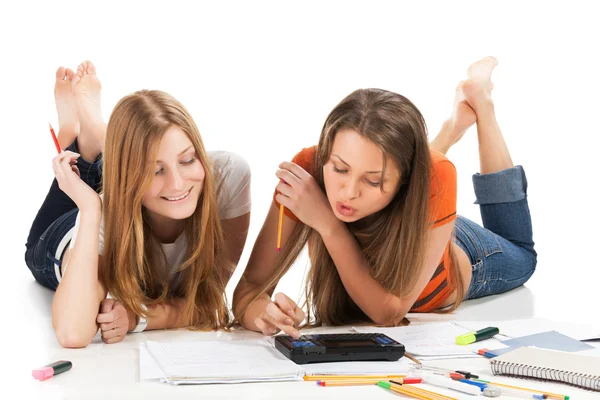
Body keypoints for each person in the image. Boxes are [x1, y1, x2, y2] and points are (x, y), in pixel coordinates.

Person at [233, 57, 536, 337]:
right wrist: (264, 314)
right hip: (424, 209)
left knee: (524, 257)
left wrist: (328, 223)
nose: (348, 193)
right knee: (421, 173)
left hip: (465, 255)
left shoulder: (435, 178)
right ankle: (451, 130)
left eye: (373, 180)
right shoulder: (307, 175)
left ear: (404, 183)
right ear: (325, 155)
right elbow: (249, 291)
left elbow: (388, 313)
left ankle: (482, 107)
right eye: (339, 169)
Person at [25, 61, 251, 347]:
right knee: (47, 223)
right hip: (65, 237)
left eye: (187, 160)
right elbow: (72, 333)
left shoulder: (226, 177)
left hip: (125, 188)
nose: (178, 184)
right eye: (156, 171)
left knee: (132, 156)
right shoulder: (100, 215)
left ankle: (94, 136)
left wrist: (139, 318)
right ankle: (74, 137)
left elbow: (209, 303)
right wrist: (90, 208)